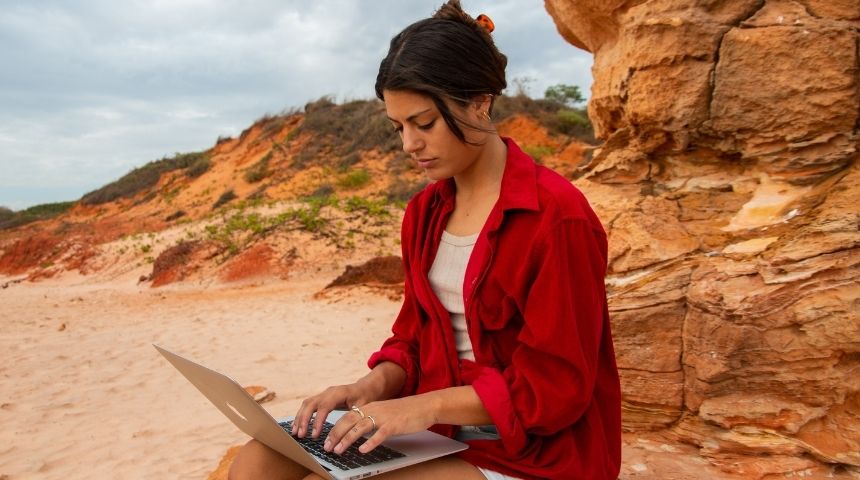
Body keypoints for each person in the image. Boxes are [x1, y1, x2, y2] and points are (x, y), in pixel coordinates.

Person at [229, 1, 621, 479]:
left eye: (424, 123)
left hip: (531, 452)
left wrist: (418, 409)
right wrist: (369, 387)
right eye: (399, 127)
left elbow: (555, 390)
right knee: (258, 459)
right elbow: (413, 338)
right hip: (439, 435)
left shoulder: (557, 218)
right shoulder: (424, 214)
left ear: (480, 101)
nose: (408, 145)